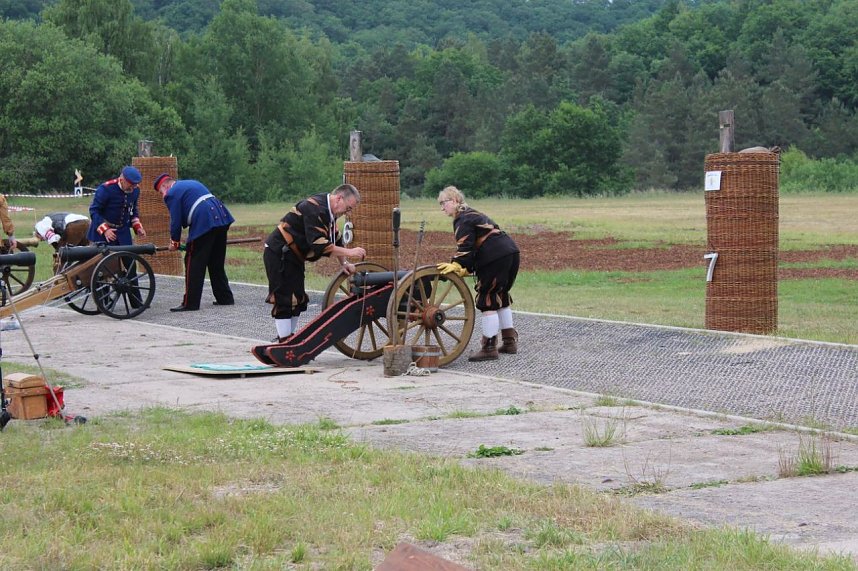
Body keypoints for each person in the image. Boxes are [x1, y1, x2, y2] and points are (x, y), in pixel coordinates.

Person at [263, 184, 366, 342]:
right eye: (348, 207)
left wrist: (344, 263)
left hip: (294, 255)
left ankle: (289, 339)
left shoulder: (329, 212)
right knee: (284, 297)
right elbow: (319, 245)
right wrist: (350, 252)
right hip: (279, 252)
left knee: (298, 297)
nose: (348, 212)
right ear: (339, 198)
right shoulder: (314, 208)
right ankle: (284, 341)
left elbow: (336, 239)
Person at [436, 185, 520, 362]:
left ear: (454, 200)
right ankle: (509, 342)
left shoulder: (463, 218)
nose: (442, 208)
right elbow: (477, 244)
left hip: (495, 255)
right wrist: (466, 267)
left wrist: (457, 264)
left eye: (443, 203)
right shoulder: (473, 214)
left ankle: (489, 348)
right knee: (501, 294)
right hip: (510, 252)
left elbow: (465, 246)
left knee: (487, 298)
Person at [153, 174, 235, 312]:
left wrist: (174, 242)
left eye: (161, 192)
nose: (163, 196)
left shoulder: (171, 193)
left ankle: (190, 302)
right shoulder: (190, 183)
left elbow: (175, 221)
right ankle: (225, 298)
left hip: (205, 219)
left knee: (193, 261)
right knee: (216, 262)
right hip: (221, 215)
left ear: (165, 186)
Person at [87, 166, 147, 245]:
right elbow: (94, 211)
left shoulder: (136, 190)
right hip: (102, 235)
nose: (132, 189)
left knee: (129, 256)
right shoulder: (106, 189)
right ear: (122, 180)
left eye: (135, 185)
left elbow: (132, 210)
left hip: (123, 233)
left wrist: (137, 227)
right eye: (130, 185)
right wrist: (105, 230)